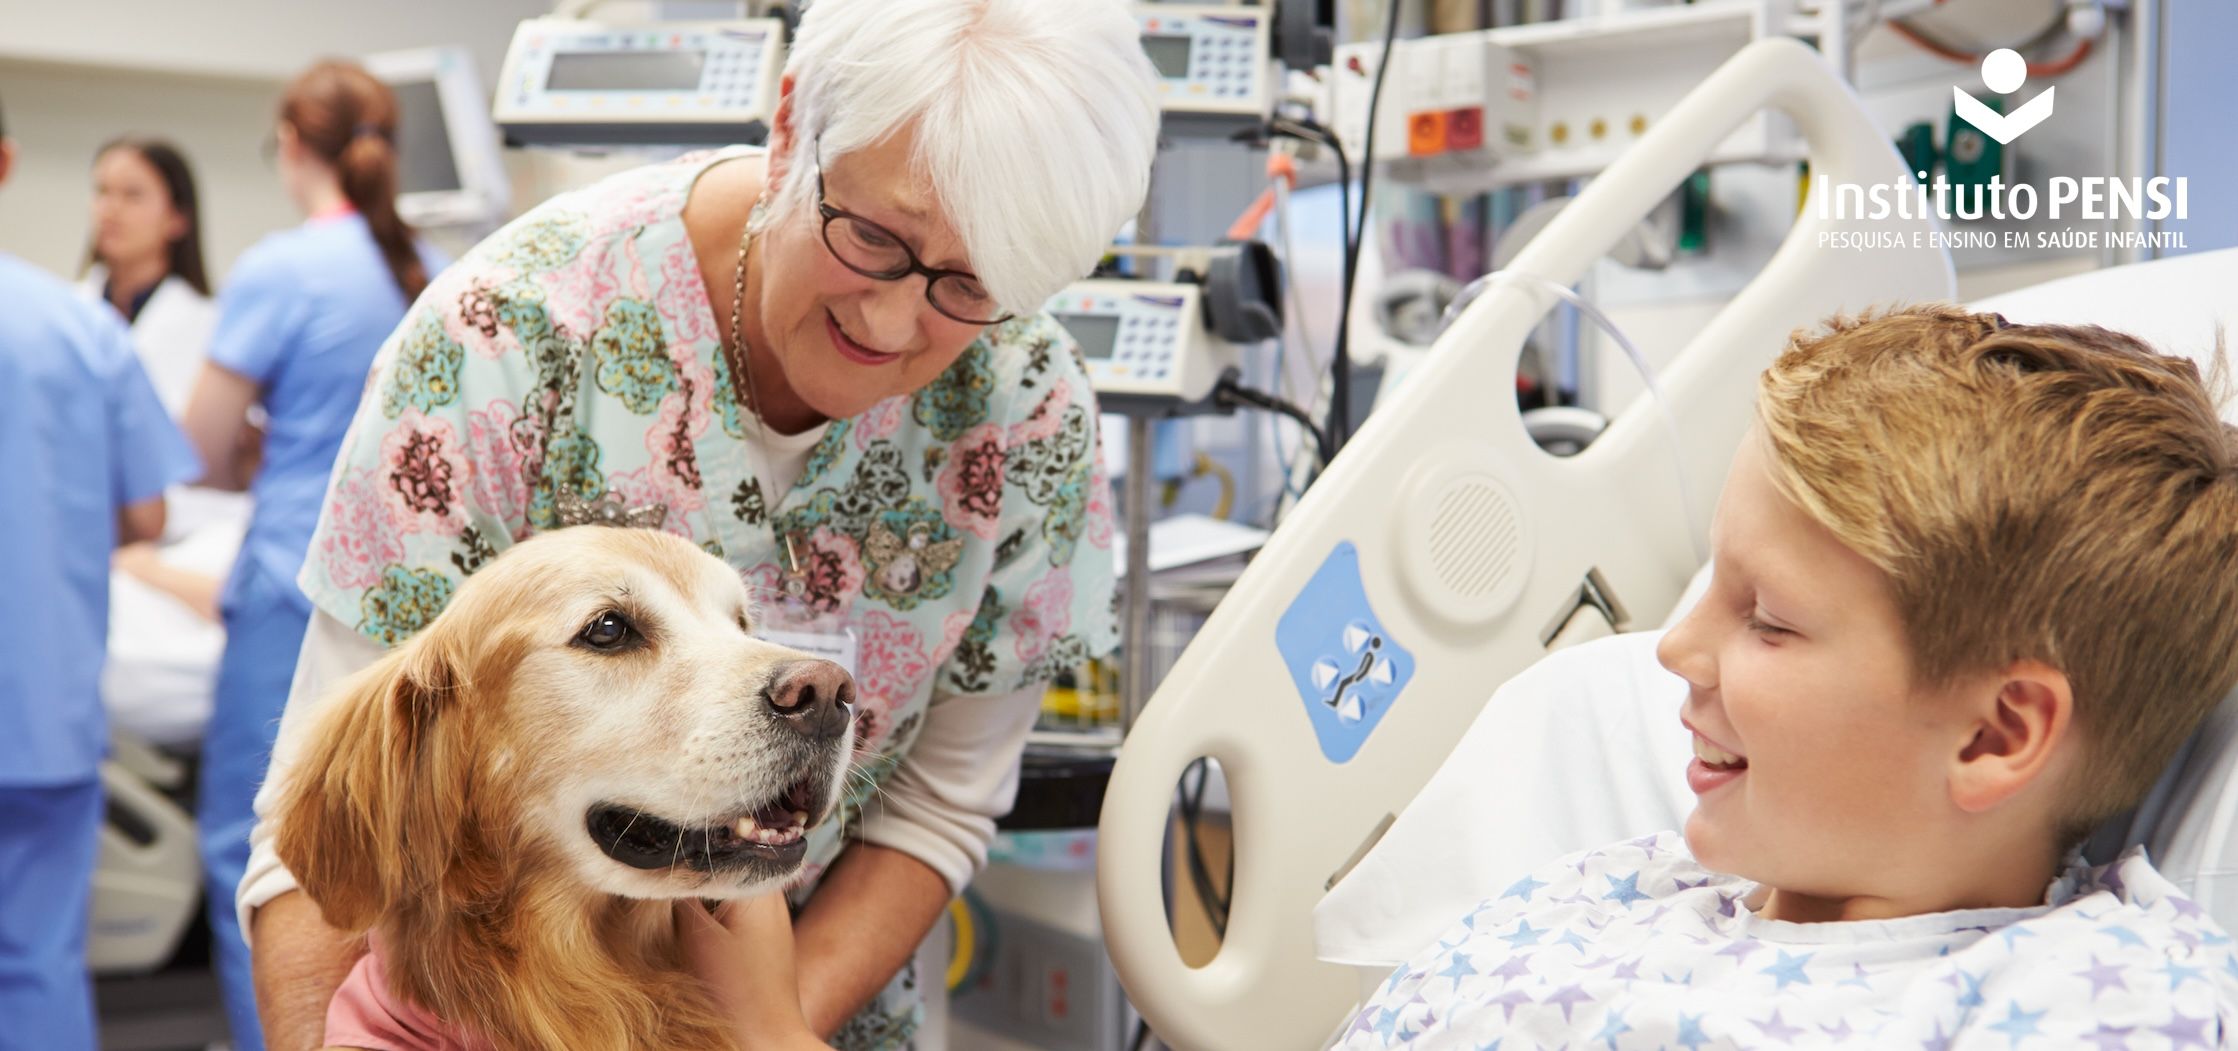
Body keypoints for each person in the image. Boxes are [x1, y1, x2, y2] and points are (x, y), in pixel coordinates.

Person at [238, 2, 1158, 1048]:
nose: (895, 322)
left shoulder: (1027, 405)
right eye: (874, 239)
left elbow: (937, 807)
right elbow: (337, 829)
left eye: (972, 284)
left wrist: (758, 1031)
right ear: (788, 127)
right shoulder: (502, 339)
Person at [1339, 308, 2238, 1047]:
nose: (1676, 648)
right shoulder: (1589, 896)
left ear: (1995, 734)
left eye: (1767, 620)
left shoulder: (2091, 1000)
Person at [179, 59, 447, 1051]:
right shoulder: (433, 264)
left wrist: (259, 438)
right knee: (391, 860)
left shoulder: (283, 268)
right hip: (419, 602)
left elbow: (199, 449)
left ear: (292, 144)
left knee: (266, 854)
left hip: (297, 587)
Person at [0, 91, 203, 1050]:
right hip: (38, 711)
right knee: (35, 960)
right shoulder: (77, 329)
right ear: (7, 163)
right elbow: (148, 511)